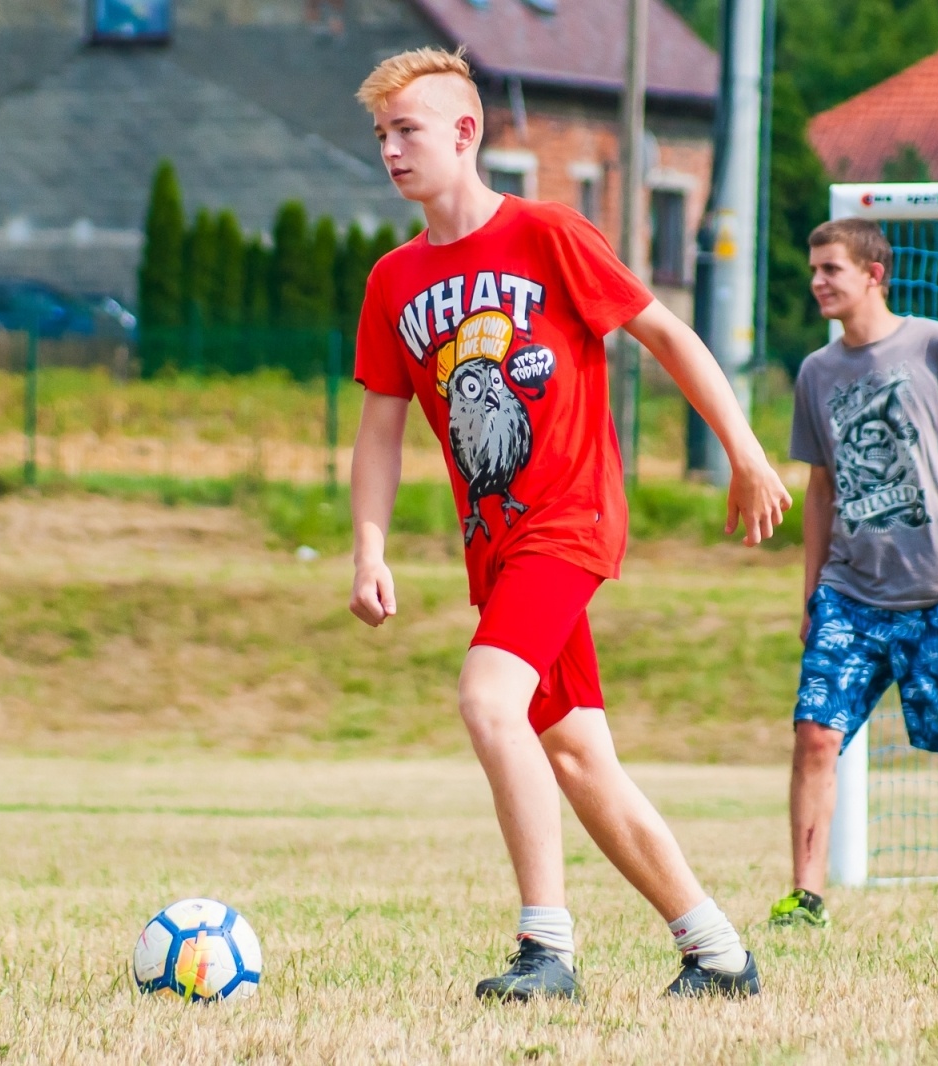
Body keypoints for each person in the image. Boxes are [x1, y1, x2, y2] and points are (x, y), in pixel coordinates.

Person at [347, 47, 791, 1000]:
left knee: (486, 700)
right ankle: (716, 952)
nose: (391, 149)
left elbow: (666, 332)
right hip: (496, 544)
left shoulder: (548, 232)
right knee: (580, 754)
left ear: (466, 134)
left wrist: (746, 451)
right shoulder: (392, 281)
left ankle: (546, 949)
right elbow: (380, 428)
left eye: (408, 131)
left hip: (571, 516)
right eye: (381, 135)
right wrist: (369, 549)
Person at [767, 219, 938, 929]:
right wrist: (811, 592)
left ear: (875, 274)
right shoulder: (817, 372)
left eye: (831, 268)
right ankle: (806, 897)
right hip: (851, 597)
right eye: (813, 269)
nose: (818, 282)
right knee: (815, 735)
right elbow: (822, 490)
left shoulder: (936, 346)